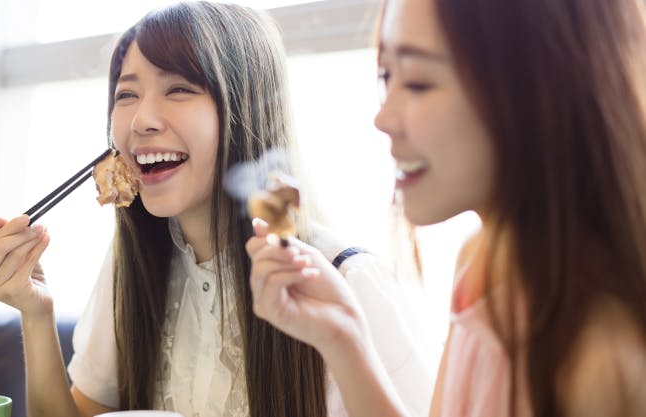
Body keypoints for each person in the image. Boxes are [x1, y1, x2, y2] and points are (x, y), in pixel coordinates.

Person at [0, 2, 433, 416]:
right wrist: (36, 313)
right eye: (126, 94)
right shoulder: (136, 262)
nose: (142, 120)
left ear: (243, 108)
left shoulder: (342, 283)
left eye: (179, 89)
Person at [247, 0, 646, 415]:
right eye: (387, 76)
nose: (382, 118)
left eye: (417, 82)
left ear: (539, 84)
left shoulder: (607, 358)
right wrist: (342, 336)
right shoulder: (481, 261)